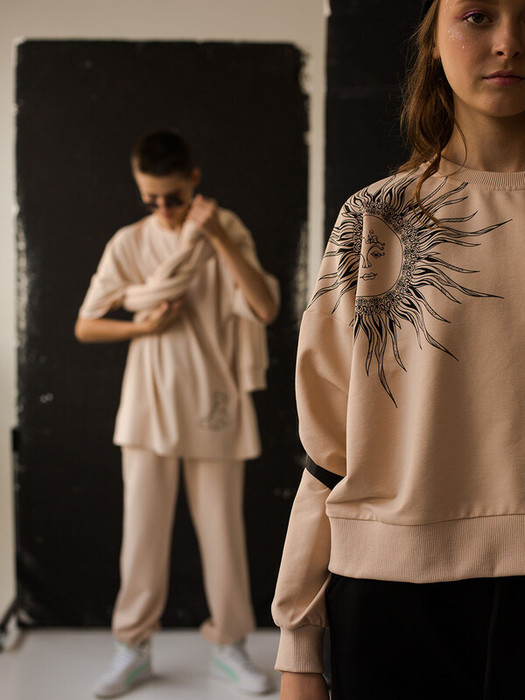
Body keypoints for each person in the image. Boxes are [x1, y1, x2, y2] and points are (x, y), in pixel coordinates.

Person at [272, 0, 525, 697]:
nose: (509, 41)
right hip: (394, 602)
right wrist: (298, 644)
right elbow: (327, 449)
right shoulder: (375, 219)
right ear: (433, 40)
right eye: (478, 15)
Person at [75, 130, 279, 697]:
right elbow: (86, 324)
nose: (163, 209)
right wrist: (141, 328)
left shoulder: (226, 228)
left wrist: (218, 237)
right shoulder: (129, 243)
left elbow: (264, 306)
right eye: (150, 199)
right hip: (148, 403)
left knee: (223, 534)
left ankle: (230, 645)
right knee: (141, 535)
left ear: (194, 180)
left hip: (214, 400)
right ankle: (132, 646)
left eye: (173, 197)